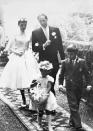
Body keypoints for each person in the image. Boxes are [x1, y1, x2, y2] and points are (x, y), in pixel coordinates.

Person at [0, 18, 41, 107]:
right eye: (22, 24)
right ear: (19, 25)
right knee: (20, 78)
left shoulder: (29, 34)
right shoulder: (14, 34)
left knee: (31, 78)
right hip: (18, 57)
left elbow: (33, 44)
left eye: (25, 24)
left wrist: (35, 50)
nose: (24, 26)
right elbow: (9, 48)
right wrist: (16, 52)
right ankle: (23, 99)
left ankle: (32, 101)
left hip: (28, 56)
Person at [58, 44, 92, 131]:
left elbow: (87, 75)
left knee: (75, 105)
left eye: (71, 54)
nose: (70, 56)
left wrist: (89, 84)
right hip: (69, 87)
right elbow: (61, 75)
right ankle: (78, 125)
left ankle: (71, 121)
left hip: (79, 87)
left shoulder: (82, 62)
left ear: (76, 53)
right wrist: (60, 84)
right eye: (68, 54)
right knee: (73, 104)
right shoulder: (64, 62)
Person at [32, 13, 65, 95]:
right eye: (40, 21)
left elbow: (60, 45)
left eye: (43, 20)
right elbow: (34, 48)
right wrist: (43, 45)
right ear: (38, 22)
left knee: (53, 80)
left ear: (47, 19)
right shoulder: (35, 32)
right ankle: (49, 100)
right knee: (46, 82)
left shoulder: (55, 30)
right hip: (44, 61)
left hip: (54, 60)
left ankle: (51, 100)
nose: (42, 22)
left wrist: (63, 59)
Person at [29, 61, 57, 131]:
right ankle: (39, 124)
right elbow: (33, 87)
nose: (45, 73)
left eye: (47, 71)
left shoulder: (49, 78)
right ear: (40, 70)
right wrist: (35, 93)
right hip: (39, 94)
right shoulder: (36, 78)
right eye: (43, 71)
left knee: (48, 110)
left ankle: (49, 125)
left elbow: (49, 87)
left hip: (47, 95)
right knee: (40, 111)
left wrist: (45, 95)